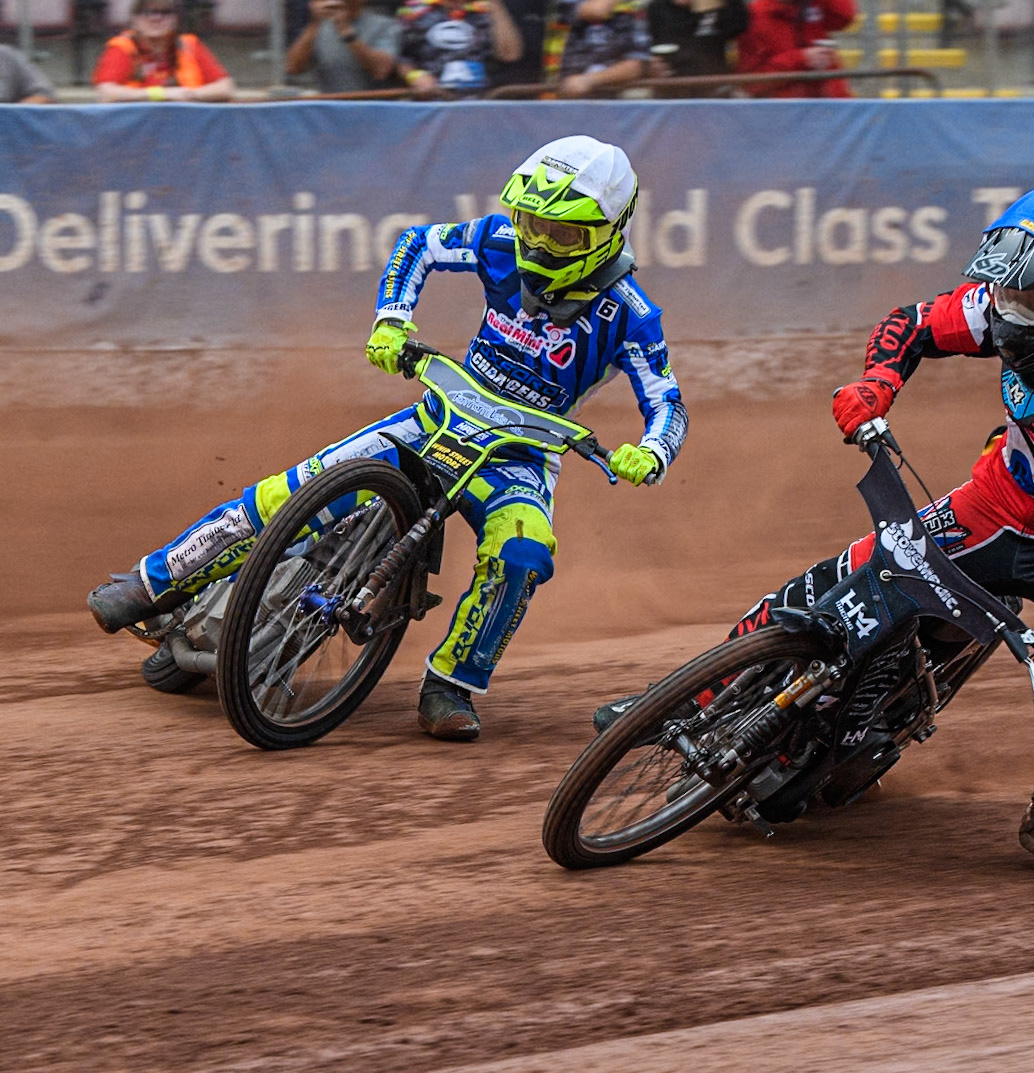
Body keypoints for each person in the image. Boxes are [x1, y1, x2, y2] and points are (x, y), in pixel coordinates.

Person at [606, 181, 1034, 879]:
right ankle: (684, 702)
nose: (1012, 312)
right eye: (1009, 293)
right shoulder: (1005, 306)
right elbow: (912, 323)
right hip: (994, 504)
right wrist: (877, 384)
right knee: (840, 582)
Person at [88, 136, 689, 743]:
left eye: (560, 234)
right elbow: (417, 246)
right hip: (434, 420)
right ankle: (150, 584)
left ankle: (450, 684)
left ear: (608, 232)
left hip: (517, 460)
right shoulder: (497, 239)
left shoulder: (631, 314)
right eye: (531, 223)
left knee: (523, 554)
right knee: (291, 491)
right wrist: (392, 319)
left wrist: (652, 451)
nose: (537, 243)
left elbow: (667, 403)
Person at [92, 0, 235, 102]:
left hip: (187, 124)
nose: (156, 18)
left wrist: (188, 95)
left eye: (165, 12)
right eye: (147, 12)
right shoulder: (123, 47)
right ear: (134, 20)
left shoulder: (189, 45)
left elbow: (225, 88)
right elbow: (107, 93)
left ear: (175, 19)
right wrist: (160, 94)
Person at [393, 0, 522, 99]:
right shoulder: (414, 10)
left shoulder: (486, 9)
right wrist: (415, 77)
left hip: (482, 102)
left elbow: (510, 55)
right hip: (433, 100)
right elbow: (400, 58)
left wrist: (494, 5)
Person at [736, 0, 855, 98]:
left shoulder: (813, 5)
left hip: (832, 106)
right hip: (785, 110)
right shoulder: (756, 16)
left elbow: (844, 16)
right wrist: (801, 58)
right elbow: (751, 83)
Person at [284, 0, 400, 93]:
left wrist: (346, 31)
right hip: (331, 110)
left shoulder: (385, 26)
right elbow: (292, 68)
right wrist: (314, 23)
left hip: (373, 110)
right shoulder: (318, 28)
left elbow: (380, 70)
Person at [549, 0, 652, 98]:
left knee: (638, 94)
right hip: (563, 91)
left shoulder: (633, 8)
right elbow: (597, 10)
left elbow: (635, 66)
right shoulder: (566, 5)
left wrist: (589, 80)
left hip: (613, 93)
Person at [645, 0, 747, 90]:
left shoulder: (717, 6)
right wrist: (650, 65)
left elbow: (740, 26)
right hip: (671, 88)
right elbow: (647, 50)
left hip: (713, 87)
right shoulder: (657, 8)